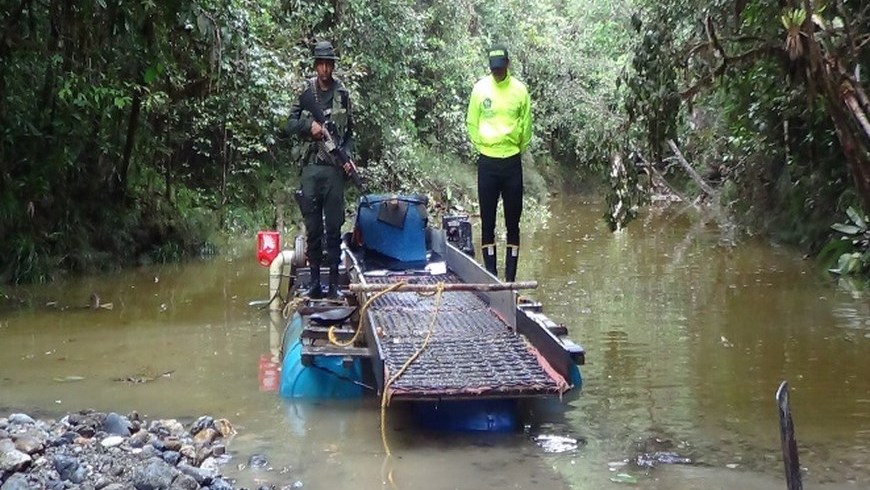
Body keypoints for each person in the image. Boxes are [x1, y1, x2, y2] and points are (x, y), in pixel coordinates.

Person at [286, 41, 355, 298]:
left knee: (334, 227)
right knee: (313, 227)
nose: (325, 69)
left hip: (334, 171)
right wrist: (309, 127)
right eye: (321, 64)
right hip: (312, 170)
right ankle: (315, 282)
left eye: (329, 64)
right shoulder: (307, 93)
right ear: (316, 66)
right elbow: (288, 125)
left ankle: (334, 284)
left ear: (333, 66)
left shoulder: (342, 94)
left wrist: (348, 156)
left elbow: (350, 133)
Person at [465, 45, 532, 282]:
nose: (498, 73)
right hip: (488, 163)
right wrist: (484, 145)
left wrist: (513, 147)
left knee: (513, 222)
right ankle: (491, 276)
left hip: (512, 163)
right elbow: (472, 123)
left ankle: (510, 279)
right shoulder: (480, 89)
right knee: (487, 222)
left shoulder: (520, 91)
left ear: (508, 65)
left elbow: (526, 127)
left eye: (501, 69)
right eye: (494, 70)